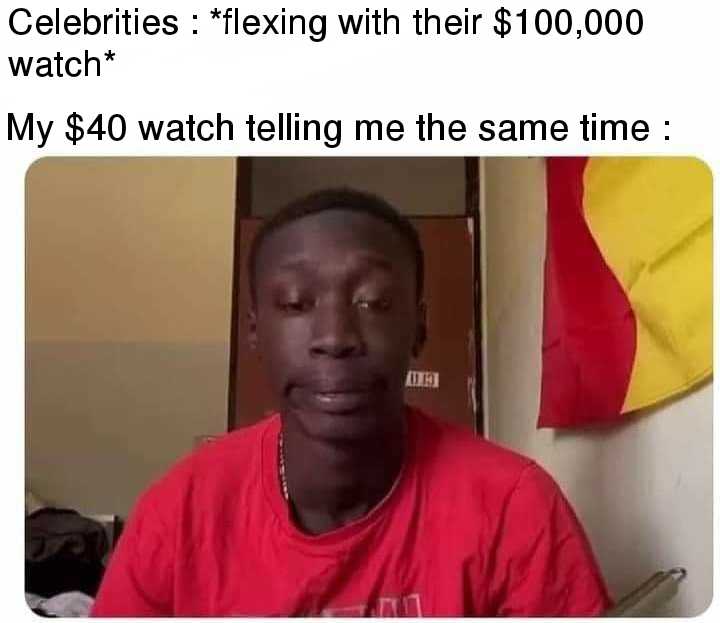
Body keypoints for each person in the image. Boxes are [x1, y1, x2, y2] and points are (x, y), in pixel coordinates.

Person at [91, 188, 612, 616]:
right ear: (255, 332)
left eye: (374, 301)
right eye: (296, 303)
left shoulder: (513, 509)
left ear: (419, 327)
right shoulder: (179, 514)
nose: (336, 337)